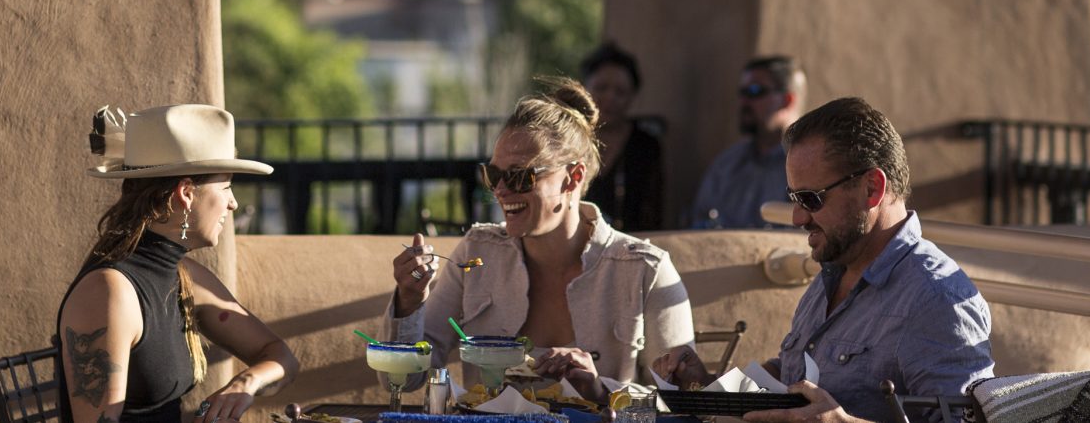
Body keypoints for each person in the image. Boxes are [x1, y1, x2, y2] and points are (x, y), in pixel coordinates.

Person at [654, 97, 994, 423]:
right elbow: (797, 385)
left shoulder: (936, 300)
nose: (798, 218)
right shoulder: (835, 271)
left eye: (810, 199)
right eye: (793, 198)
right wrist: (708, 388)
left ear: (872, 189)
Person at [383, 78, 695, 402]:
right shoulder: (478, 254)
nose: (501, 191)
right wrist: (408, 300)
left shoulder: (645, 270)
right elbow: (405, 379)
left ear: (572, 177)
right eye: (493, 175)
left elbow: (682, 401)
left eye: (520, 176)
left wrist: (602, 392)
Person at [56, 104, 299, 423]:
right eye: (225, 186)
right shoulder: (109, 292)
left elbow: (282, 357)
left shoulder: (186, 278)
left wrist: (244, 384)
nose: (233, 202)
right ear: (186, 192)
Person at [690, 55, 807, 228]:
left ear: (787, 100)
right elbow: (698, 224)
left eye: (754, 91)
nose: (743, 101)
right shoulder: (726, 165)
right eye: (742, 93)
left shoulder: (810, 166)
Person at [580, 42, 666, 231]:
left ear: (632, 97)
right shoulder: (568, 140)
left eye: (620, 92)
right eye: (601, 88)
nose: (610, 98)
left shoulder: (645, 147)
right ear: (583, 88)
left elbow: (652, 217)